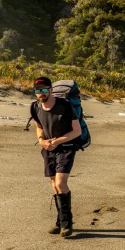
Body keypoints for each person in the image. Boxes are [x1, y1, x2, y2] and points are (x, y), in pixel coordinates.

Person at [30, 76, 82, 238]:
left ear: (51, 90)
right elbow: (39, 127)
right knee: (54, 184)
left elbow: (77, 131)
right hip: (48, 149)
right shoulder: (35, 107)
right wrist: (42, 141)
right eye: (38, 90)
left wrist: (57, 141)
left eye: (44, 89)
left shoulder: (64, 106)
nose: (41, 93)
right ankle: (60, 222)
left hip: (66, 147)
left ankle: (67, 223)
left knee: (60, 183)